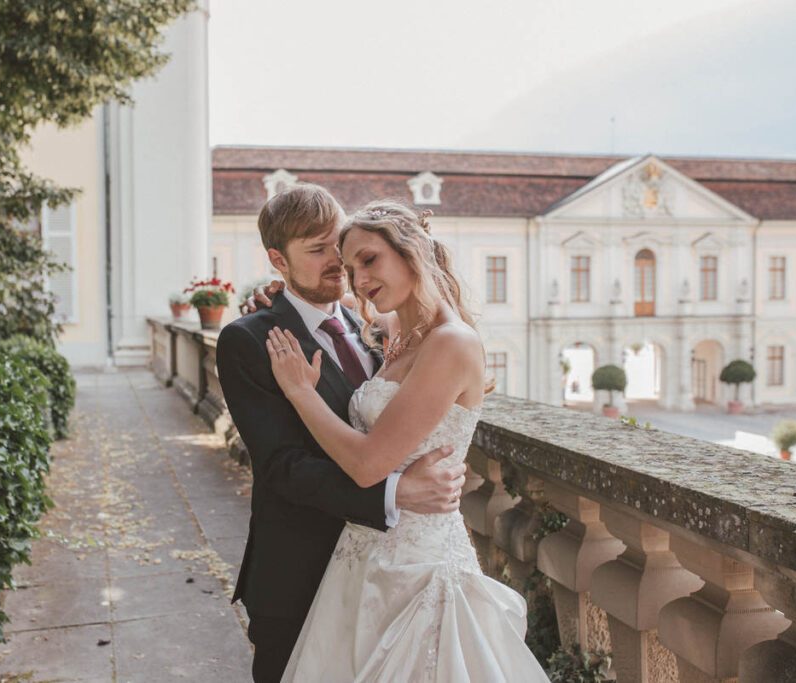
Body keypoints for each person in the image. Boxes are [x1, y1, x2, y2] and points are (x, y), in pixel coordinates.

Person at [266, 200, 550, 681]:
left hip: (421, 567)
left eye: (369, 260)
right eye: (350, 267)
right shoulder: (395, 332)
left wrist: (301, 394)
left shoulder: (451, 343)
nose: (358, 280)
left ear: (412, 251)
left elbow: (367, 465)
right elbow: (330, 309)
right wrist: (272, 295)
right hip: (361, 559)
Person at [215, 184, 468, 683]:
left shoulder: (371, 326)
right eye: (317, 251)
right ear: (277, 260)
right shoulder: (248, 339)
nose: (339, 264)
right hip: (297, 573)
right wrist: (396, 491)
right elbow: (282, 467)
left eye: (339, 247)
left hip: (384, 576)